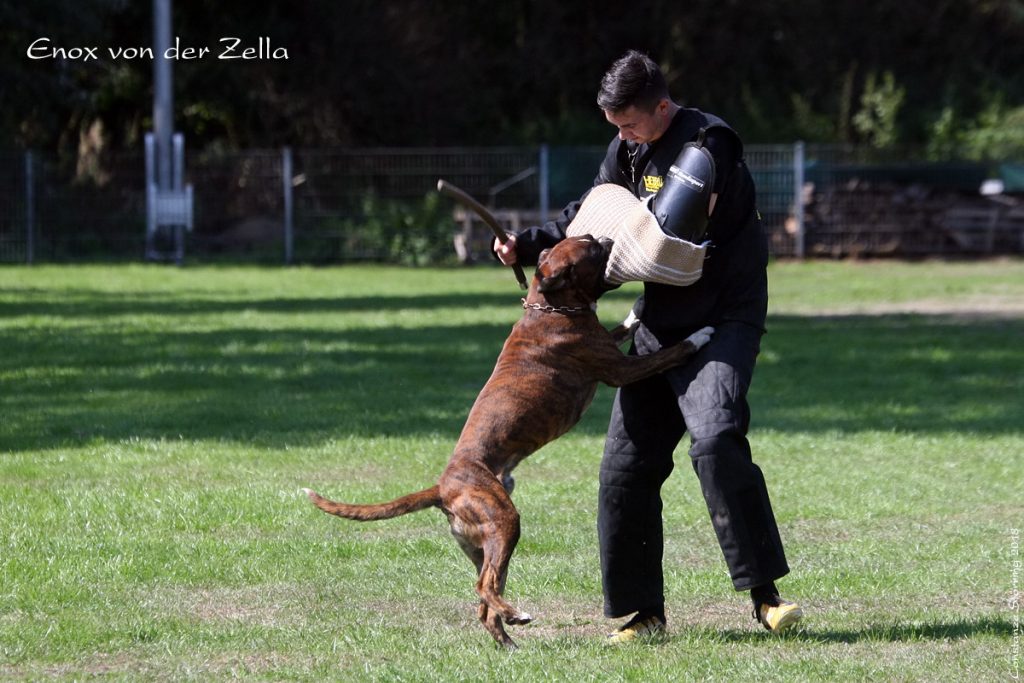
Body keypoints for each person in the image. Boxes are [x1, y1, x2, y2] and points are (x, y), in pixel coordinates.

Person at [493, 49, 802, 642]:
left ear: (663, 106)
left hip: (725, 316)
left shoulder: (712, 142)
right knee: (625, 468)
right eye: (616, 129)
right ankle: (643, 614)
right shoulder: (627, 148)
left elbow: (668, 231)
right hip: (661, 319)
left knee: (714, 439)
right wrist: (528, 244)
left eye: (632, 124)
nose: (625, 137)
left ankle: (765, 597)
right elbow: (593, 214)